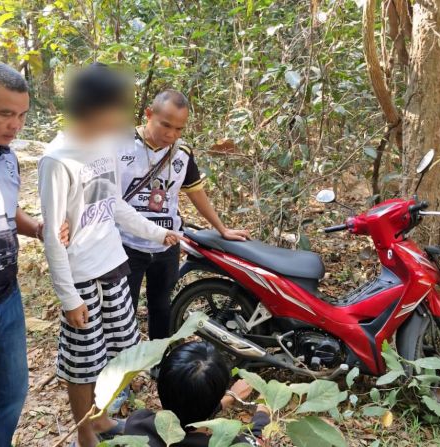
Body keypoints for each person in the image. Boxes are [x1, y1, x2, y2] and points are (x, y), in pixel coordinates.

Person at [38, 64, 181, 447]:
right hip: (82, 275)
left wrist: (156, 233)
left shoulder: (105, 146)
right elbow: (53, 236)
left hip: (113, 264)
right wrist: (69, 297)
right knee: (83, 364)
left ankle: (100, 418)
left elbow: (113, 203)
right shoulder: (57, 159)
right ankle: (84, 433)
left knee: (120, 351)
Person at [0, 62, 68, 447]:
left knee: (10, 395)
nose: (15, 125)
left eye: (21, 115)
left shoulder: (6, 156)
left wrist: (37, 228)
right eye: (5, 114)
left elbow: (2, 209)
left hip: (7, 299)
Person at [118, 90, 249, 339]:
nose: (171, 134)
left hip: (167, 243)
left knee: (161, 306)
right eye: (165, 125)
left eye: (179, 129)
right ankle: (124, 358)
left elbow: (196, 193)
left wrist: (222, 228)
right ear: (149, 114)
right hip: (126, 243)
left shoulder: (182, 153)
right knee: (124, 309)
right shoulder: (120, 143)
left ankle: (160, 357)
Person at [125, 341, 270, 446]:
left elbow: (184, 415)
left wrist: (229, 397)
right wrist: (264, 410)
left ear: (160, 387)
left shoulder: (136, 424)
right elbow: (257, 441)